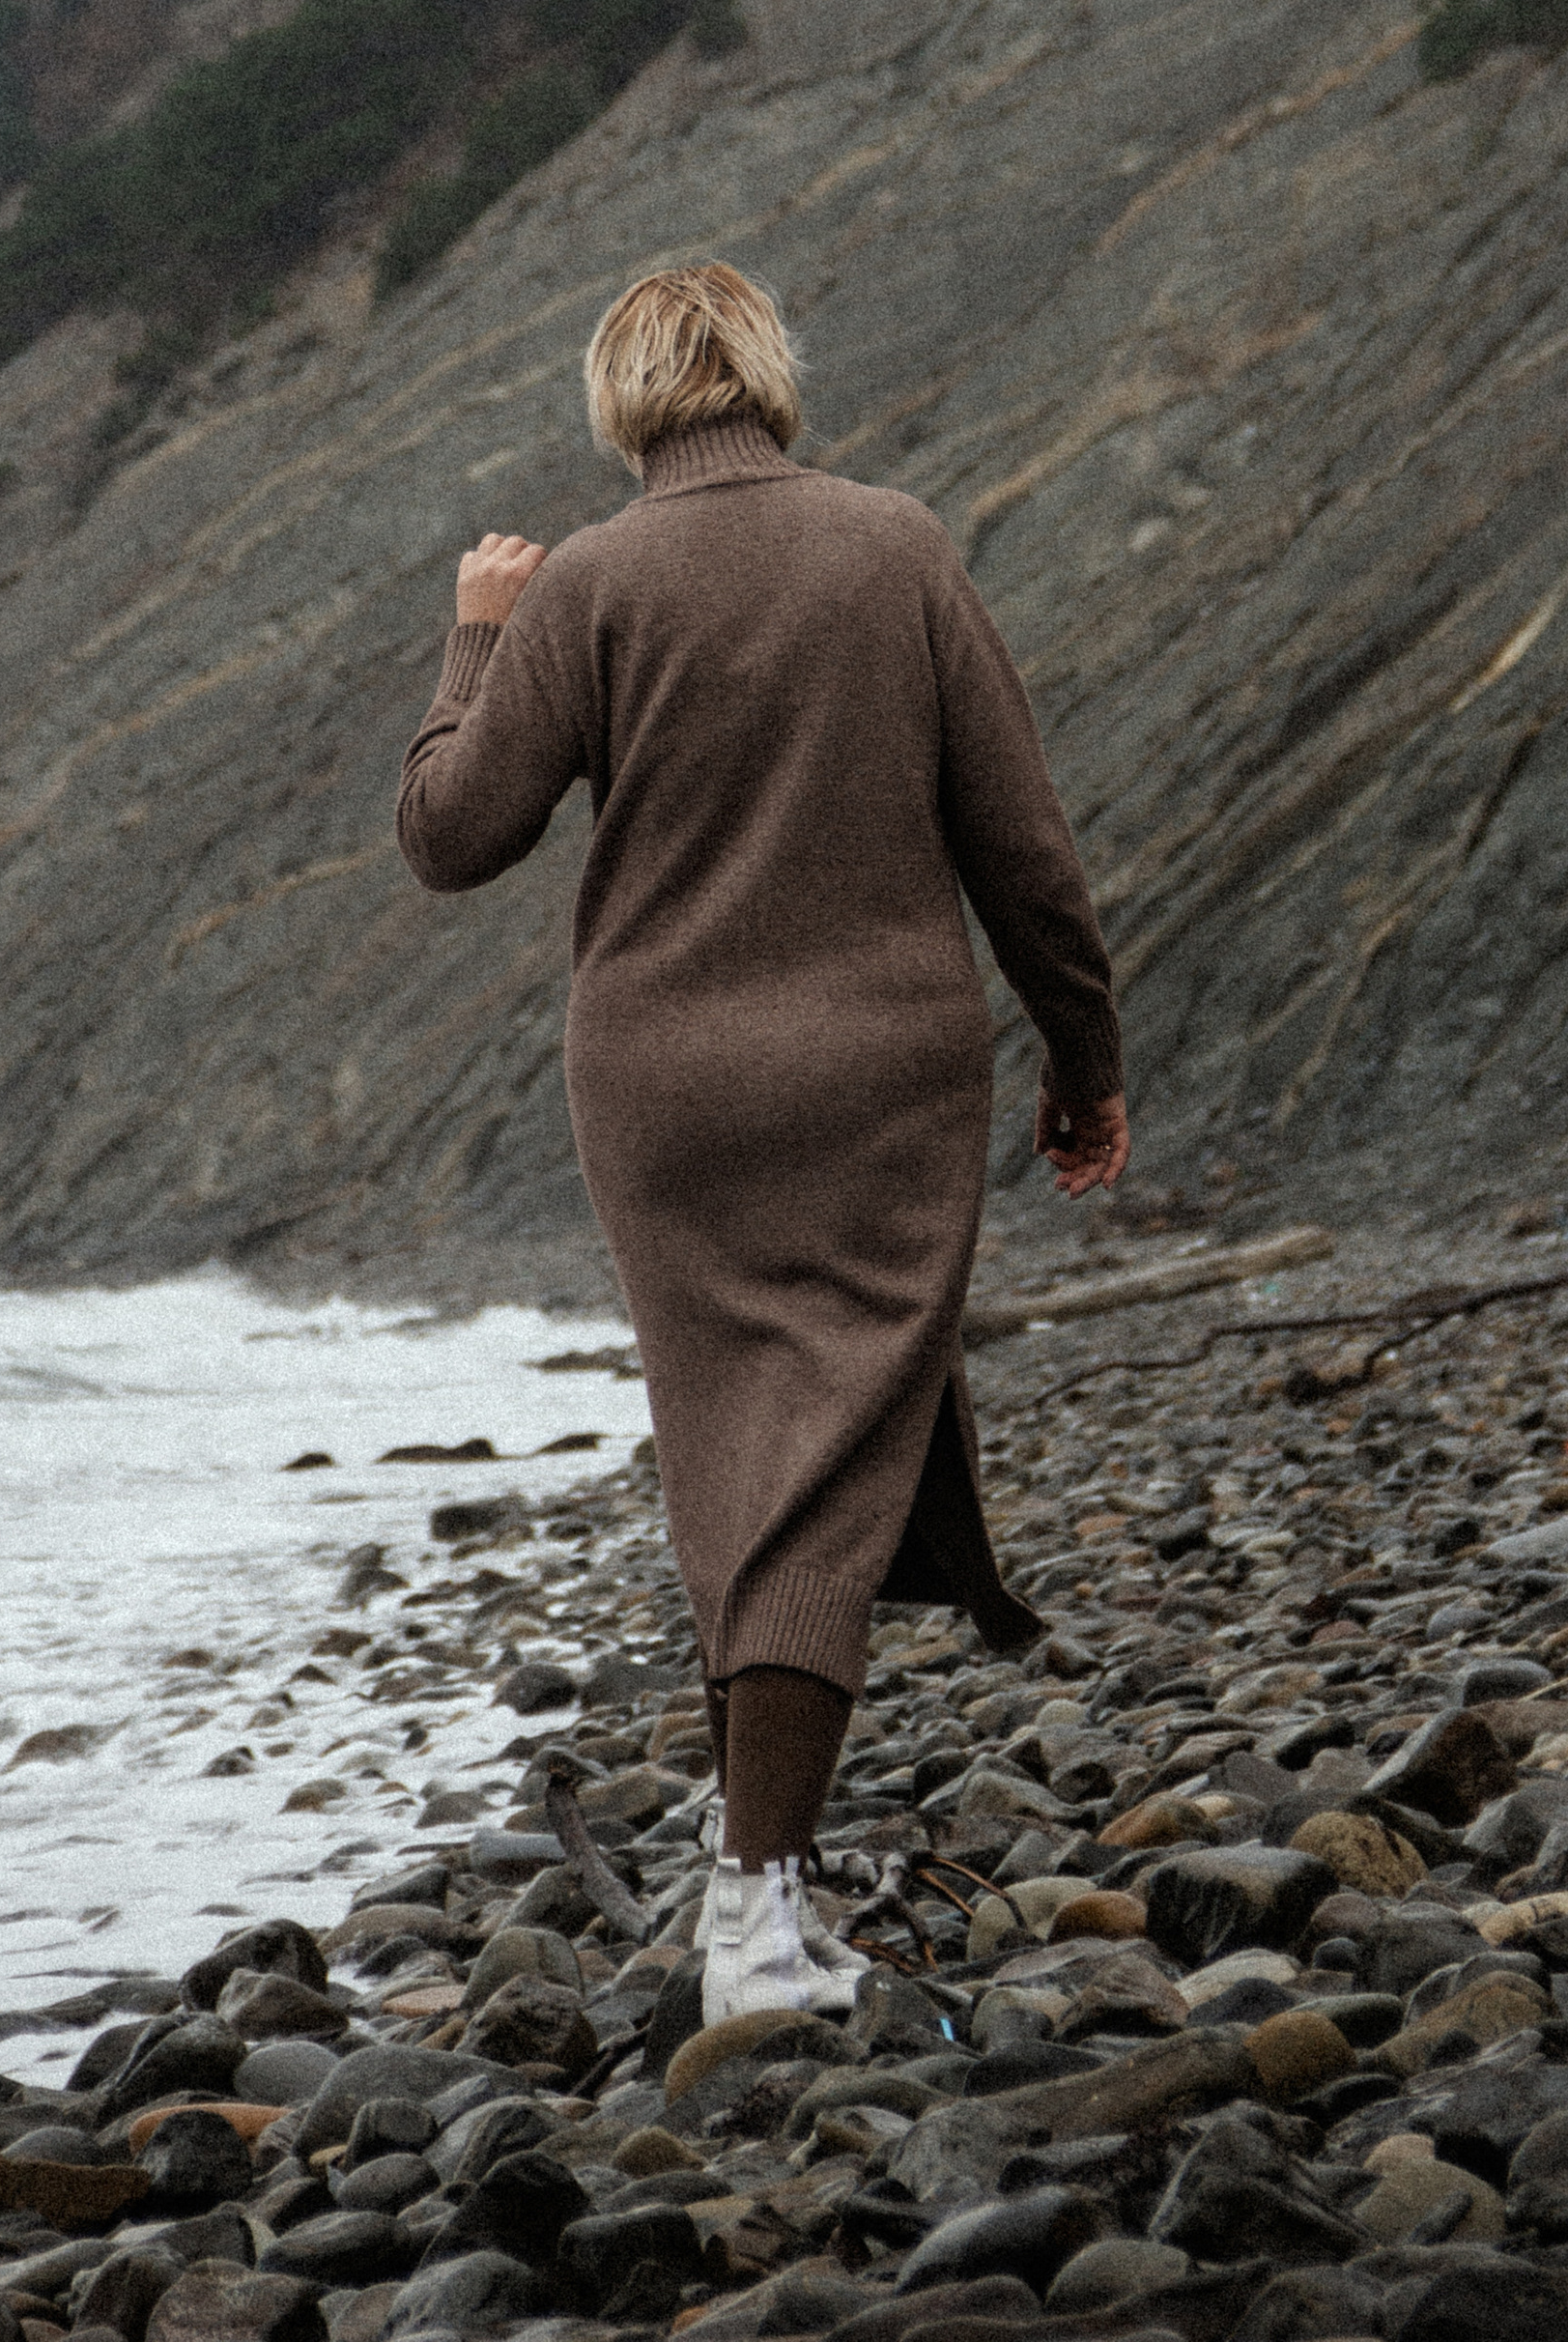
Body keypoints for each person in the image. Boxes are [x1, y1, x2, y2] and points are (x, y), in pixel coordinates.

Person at [395, 263, 1127, 2024]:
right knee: (829, 1445)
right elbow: (1019, 844)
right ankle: (754, 1917)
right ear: (768, 375)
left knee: (738, 1446)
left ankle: (768, 1896)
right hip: (881, 1073)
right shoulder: (897, 545)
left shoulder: (585, 587)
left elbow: (448, 830)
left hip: (661, 1095)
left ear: (622, 400)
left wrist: (475, 638)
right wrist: (1082, 1053)